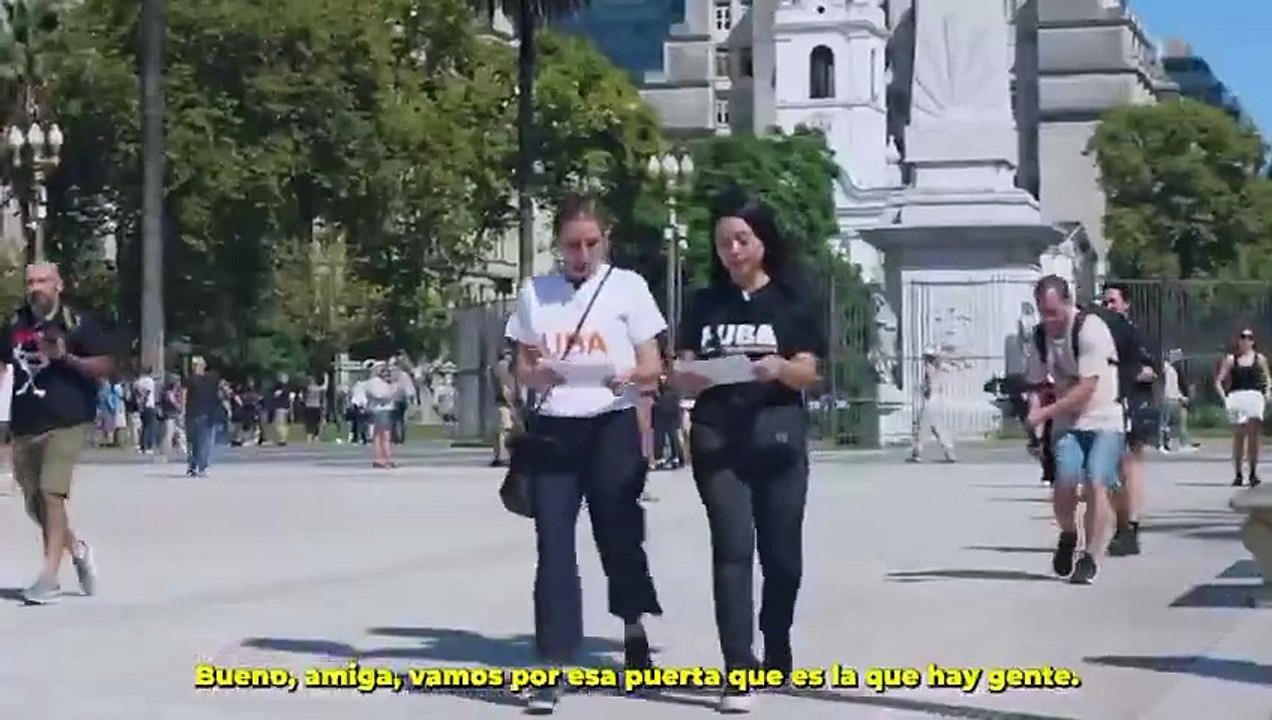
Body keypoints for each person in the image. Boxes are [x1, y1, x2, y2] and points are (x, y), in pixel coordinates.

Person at [504, 192, 665, 714]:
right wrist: (536, 374)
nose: (582, 254)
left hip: (611, 421)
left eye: (591, 243)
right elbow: (521, 366)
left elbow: (653, 364)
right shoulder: (536, 292)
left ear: (606, 240)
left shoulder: (628, 287)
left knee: (617, 533)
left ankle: (633, 628)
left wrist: (632, 375)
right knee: (552, 541)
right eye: (572, 245)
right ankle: (552, 661)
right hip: (555, 426)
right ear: (558, 243)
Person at [669, 191, 825, 713]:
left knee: (783, 561)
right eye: (723, 243)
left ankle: (775, 640)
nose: (732, 251)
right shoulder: (704, 303)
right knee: (732, 551)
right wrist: (686, 374)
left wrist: (779, 368)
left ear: (762, 241)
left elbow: (809, 372)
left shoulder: (791, 299)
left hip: (777, 437)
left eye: (741, 240)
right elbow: (681, 367)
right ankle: (737, 669)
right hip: (718, 438)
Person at [0, 262, 115, 604]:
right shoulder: (16, 322)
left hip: (68, 419)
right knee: (35, 503)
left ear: (58, 285)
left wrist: (67, 358)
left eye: (43, 281)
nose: (36, 287)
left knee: (52, 494)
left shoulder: (76, 322)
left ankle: (49, 578)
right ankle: (77, 549)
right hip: (25, 423)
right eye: (31, 282)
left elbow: (106, 365)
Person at [1024, 275, 1123, 586]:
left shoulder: (1089, 329)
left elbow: (1086, 389)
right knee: (1064, 483)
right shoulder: (1040, 337)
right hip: (1068, 423)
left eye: (1054, 312)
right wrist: (1034, 417)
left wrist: (1044, 413)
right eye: (1043, 312)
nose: (1049, 320)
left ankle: (1091, 557)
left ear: (1068, 302)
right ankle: (1068, 534)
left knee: (1096, 480)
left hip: (1104, 418)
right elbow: (1037, 384)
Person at [1100, 284, 1159, 557]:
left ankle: (1130, 527)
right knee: (1110, 470)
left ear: (1126, 304)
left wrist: (1124, 373)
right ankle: (1121, 525)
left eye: (1113, 301)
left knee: (1129, 465)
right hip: (1105, 404)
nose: (1108, 306)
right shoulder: (1099, 332)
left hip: (1132, 404)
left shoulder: (1134, 333)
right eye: (1105, 302)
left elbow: (1150, 369)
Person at [1215, 328, 1269, 487]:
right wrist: (1225, 398)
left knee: (1254, 437)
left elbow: (1267, 378)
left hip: (1254, 397)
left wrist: (1267, 393)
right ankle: (1238, 473)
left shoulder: (1259, 359)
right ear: (1238, 341)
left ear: (1253, 341)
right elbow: (1219, 381)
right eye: (1242, 337)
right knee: (1239, 436)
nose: (1245, 340)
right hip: (1237, 397)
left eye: (1249, 337)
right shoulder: (1231, 359)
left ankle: (1253, 472)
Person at [907, 346, 956, 463]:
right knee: (935, 426)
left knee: (924, 426)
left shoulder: (929, 369)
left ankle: (917, 452)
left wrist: (926, 391)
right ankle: (948, 452)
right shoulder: (939, 368)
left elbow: (930, 384)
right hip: (937, 398)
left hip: (931, 399)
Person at [183, 356, 219, 477]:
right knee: (204, 442)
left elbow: (184, 395)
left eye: (195, 365)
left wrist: (182, 411)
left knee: (193, 442)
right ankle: (201, 467)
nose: (193, 367)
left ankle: (193, 466)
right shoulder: (211, 380)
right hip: (205, 414)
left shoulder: (190, 380)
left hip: (193, 414)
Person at [365, 363, 404, 468]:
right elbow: (380, 395)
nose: (386, 373)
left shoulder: (384, 383)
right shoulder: (374, 382)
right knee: (384, 435)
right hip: (381, 410)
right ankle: (385, 459)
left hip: (383, 410)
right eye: (383, 371)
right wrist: (392, 390)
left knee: (379, 435)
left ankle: (380, 459)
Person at [1159, 349, 1198, 452]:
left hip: (1173, 399)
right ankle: (1163, 444)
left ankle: (1171, 443)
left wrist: (1181, 397)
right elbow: (1168, 387)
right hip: (1168, 399)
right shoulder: (1168, 369)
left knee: (1171, 423)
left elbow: (1174, 388)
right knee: (1165, 423)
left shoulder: (1173, 370)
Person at [489, 348, 518, 467]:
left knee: (500, 431)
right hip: (504, 403)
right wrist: (511, 404)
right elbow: (505, 388)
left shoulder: (497, 367)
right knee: (506, 430)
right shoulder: (504, 367)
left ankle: (499, 455)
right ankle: (503, 456)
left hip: (499, 403)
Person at [303, 375, 326, 441]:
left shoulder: (307, 388)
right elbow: (324, 387)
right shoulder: (317, 388)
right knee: (316, 422)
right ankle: (316, 436)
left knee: (309, 422)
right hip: (315, 406)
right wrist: (326, 378)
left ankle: (309, 435)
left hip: (308, 406)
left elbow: (304, 397)